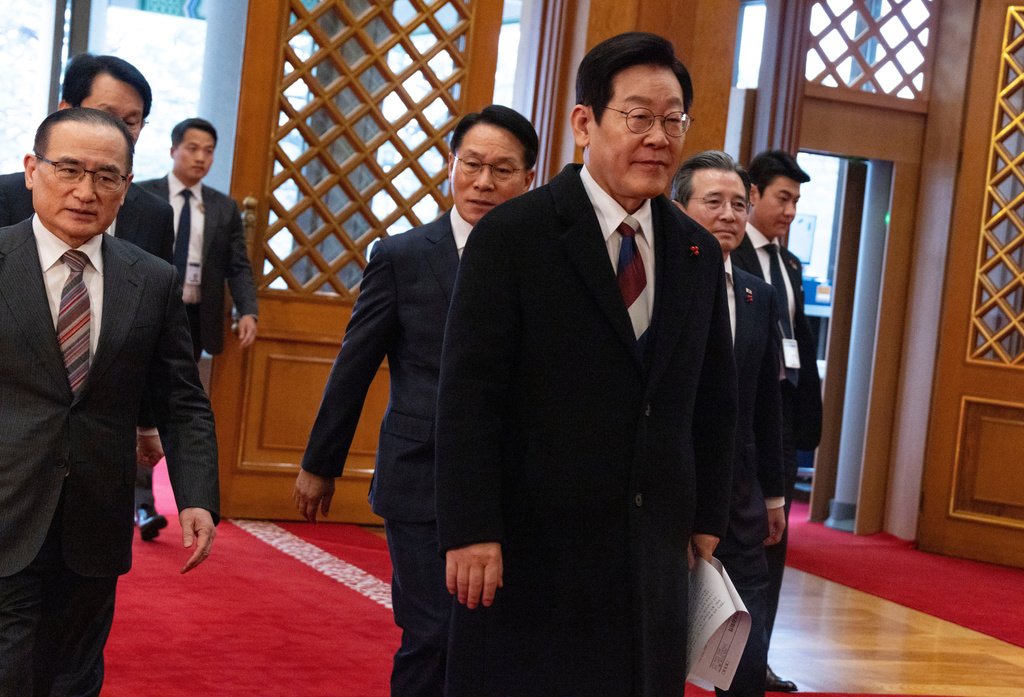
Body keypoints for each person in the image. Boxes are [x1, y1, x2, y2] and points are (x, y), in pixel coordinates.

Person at [434, 32, 737, 697]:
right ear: (584, 123)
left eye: (673, 119)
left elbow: (714, 396)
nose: (659, 136)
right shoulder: (514, 236)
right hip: (531, 547)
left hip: (650, 554)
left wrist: (707, 516)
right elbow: (468, 397)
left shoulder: (694, 251)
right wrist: (471, 527)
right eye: (639, 117)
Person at [294, 105, 538, 697]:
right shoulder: (402, 256)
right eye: (472, 164)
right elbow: (355, 366)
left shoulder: (541, 261)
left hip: (514, 482)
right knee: (433, 632)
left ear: (529, 180)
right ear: (449, 166)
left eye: (502, 170)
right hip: (420, 476)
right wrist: (319, 464)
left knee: (496, 640)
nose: (483, 181)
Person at [0, 107, 220, 697]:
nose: (84, 191)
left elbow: (181, 398)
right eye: (68, 169)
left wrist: (198, 493)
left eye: (106, 177)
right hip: (6, 505)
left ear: (126, 188)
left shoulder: (150, 279)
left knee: (74, 676)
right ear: (30, 170)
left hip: (95, 517)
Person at [0, 53, 178, 543]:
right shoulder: (6, 198)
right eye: (103, 114)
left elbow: (147, 330)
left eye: (131, 121)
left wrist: (146, 423)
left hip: (97, 462)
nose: (86, 192)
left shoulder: (152, 215)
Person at [672, 151, 786, 697]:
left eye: (739, 204)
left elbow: (766, 404)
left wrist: (775, 496)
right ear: (678, 207)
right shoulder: (648, 285)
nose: (729, 215)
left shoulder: (755, 295)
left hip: (737, 500)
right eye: (712, 202)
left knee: (743, 663)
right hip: (662, 493)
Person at [730, 149, 823, 693]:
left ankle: (757, 658)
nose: (789, 210)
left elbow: (800, 346)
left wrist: (809, 419)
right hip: (740, 413)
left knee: (775, 540)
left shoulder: (790, 265)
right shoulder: (726, 250)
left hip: (782, 417)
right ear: (756, 196)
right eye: (781, 198)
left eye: (796, 201)